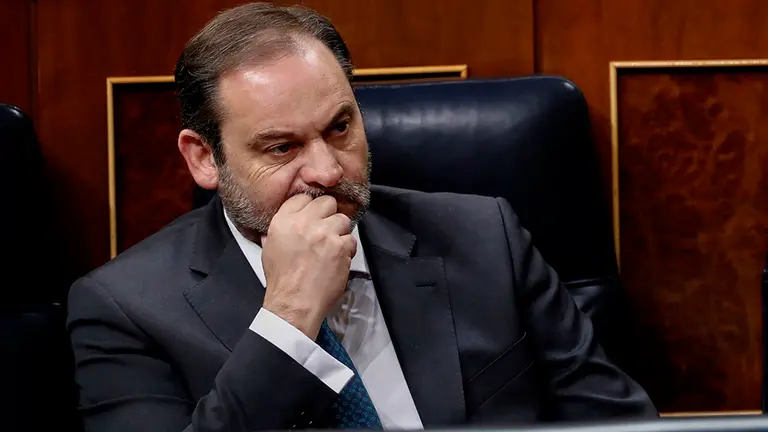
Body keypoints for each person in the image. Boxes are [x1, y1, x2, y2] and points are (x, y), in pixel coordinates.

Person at [67, 3, 657, 431]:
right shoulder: (126, 309)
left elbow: (620, 423)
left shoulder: (484, 237)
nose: (327, 170)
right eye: (281, 148)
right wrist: (290, 317)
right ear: (204, 159)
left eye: (339, 127)